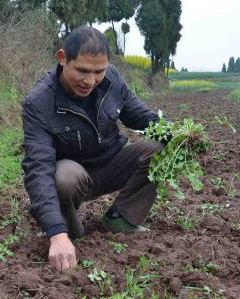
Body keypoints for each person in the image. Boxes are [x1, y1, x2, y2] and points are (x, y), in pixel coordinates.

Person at [21, 26, 166, 272]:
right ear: (62, 58)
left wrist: (181, 133)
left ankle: (121, 218)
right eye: (82, 71)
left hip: (111, 165)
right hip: (72, 177)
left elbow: (142, 117)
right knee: (64, 178)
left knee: (161, 148)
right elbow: (38, 168)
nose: (90, 81)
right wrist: (56, 234)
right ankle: (66, 226)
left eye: (99, 71)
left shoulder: (112, 80)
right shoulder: (39, 102)